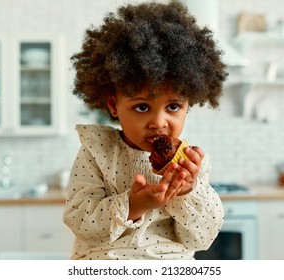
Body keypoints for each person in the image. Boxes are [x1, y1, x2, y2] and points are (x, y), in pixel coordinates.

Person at [63, 0, 227, 260]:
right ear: (114, 105)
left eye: (173, 106)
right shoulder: (97, 151)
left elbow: (202, 237)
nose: (159, 122)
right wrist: (133, 205)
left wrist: (188, 192)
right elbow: (81, 222)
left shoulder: (191, 164)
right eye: (142, 107)